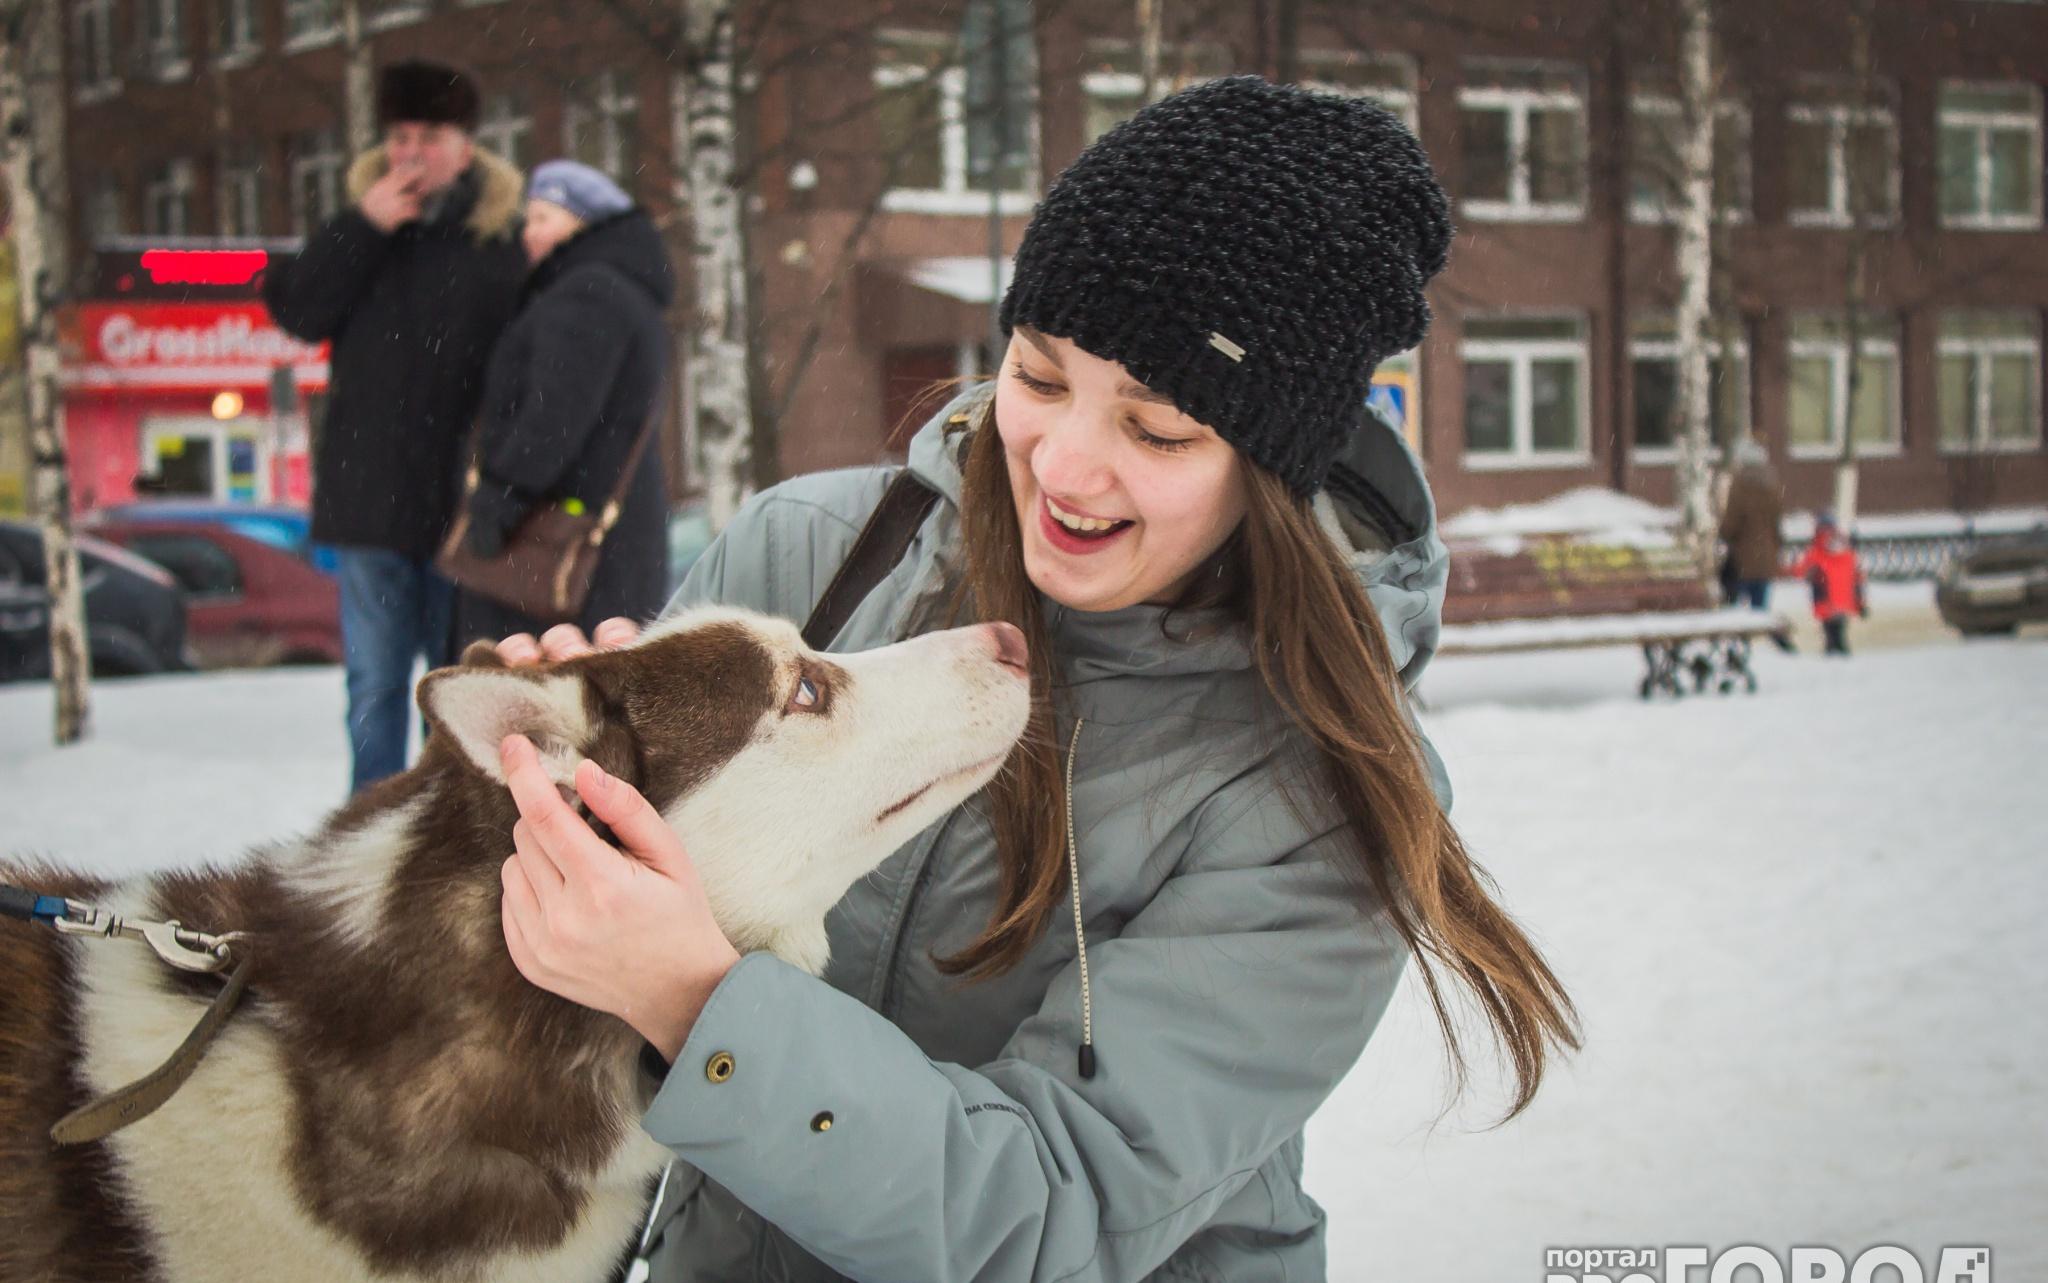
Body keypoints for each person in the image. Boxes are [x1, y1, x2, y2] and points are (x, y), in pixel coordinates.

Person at [493, 77, 1580, 1280]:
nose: (1061, 465)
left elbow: (1051, 1208)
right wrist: (542, 791)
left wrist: (699, 1005)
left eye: (1157, 428)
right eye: (1038, 374)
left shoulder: (1318, 788)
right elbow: (552, 985)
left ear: (1269, 466)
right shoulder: (810, 559)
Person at [264, 60, 527, 793]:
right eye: (400, 135)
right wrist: (361, 228)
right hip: (368, 503)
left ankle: (438, 829)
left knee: (453, 689)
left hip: (458, 512)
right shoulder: (362, 229)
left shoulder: (498, 240)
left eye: (430, 136)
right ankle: (370, 820)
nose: (411, 152)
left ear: (465, 147)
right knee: (376, 686)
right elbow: (294, 310)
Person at [450, 160, 672, 647]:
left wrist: (500, 498)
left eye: (543, 218)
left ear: (584, 225)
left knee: (531, 693)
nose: (528, 235)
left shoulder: (587, 292)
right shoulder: (622, 290)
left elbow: (555, 414)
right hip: (603, 544)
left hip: (557, 549)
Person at [1718, 437, 1784, 611]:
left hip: (1742, 556)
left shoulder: (1740, 483)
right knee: (1760, 607)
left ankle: (1740, 637)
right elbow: (1776, 521)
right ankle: (1757, 632)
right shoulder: (1773, 483)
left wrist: (1723, 534)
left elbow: (1732, 520)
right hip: (1766, 556)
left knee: (1735, 608)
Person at [1791, 512, 1869, 656]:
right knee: (1840, 632)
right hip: (1845, 598)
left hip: (1825, 597)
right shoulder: (1846, 548)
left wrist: (1791, 568)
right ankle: (1841, 657)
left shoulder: (1817, 549)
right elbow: (1858, 575)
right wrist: (1860, 601)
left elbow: (1802, 571)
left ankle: (1834, 657)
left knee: (1831, 634)